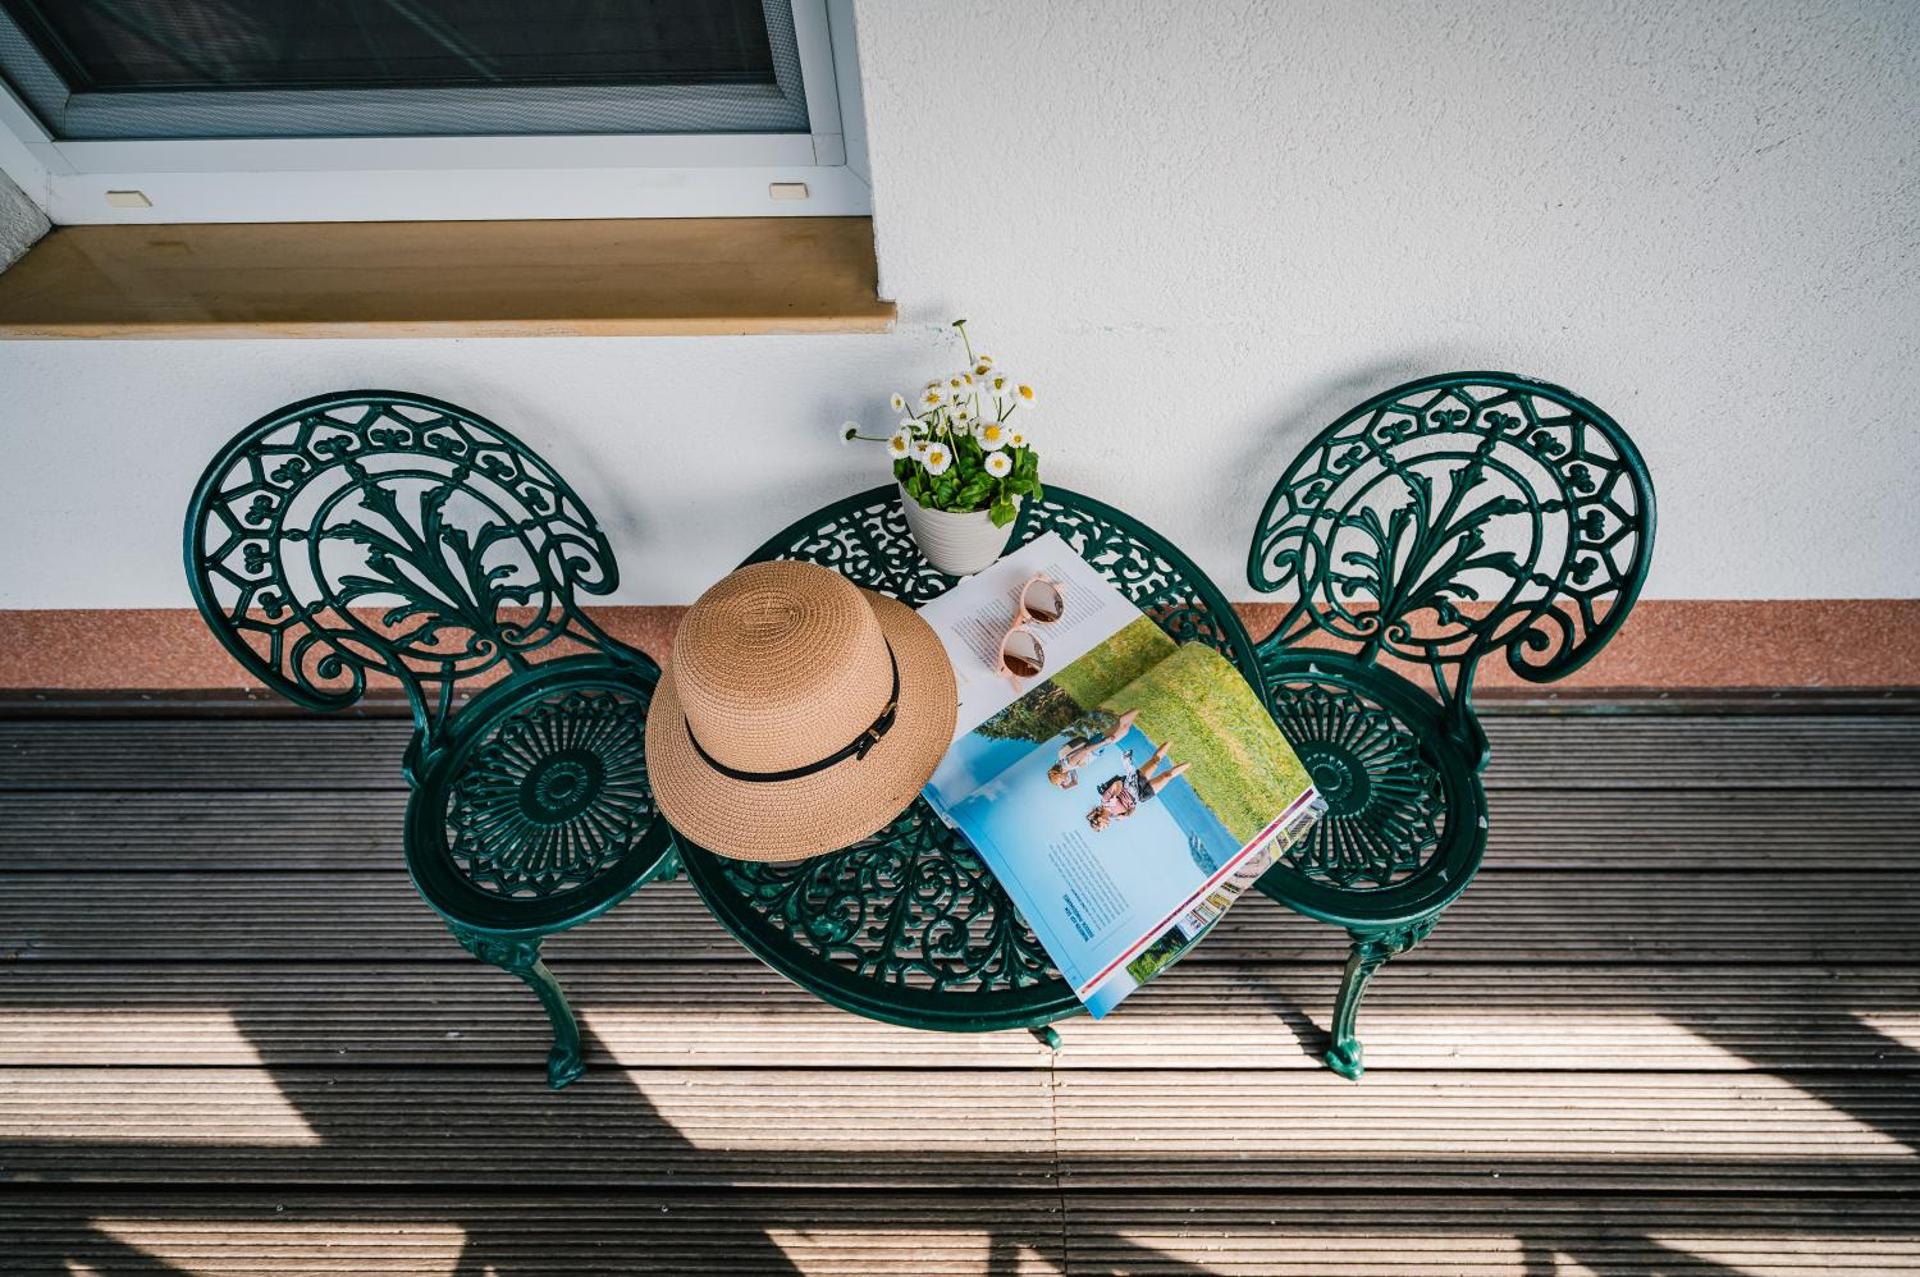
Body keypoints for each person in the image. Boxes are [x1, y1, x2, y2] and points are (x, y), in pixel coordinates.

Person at [1085, 738, 1190, 830]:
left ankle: (1172, 739)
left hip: (1133, 784)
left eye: (1102, 827)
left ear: (1099, 819)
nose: (1105, 827)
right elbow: (1132, 808)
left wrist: (1115, 797)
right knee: (1167, 776)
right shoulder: (1115, 816)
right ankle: (1190, 763)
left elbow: (1117, 784)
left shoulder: (1105, 800)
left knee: (1155, 761)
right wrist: (1127, 815)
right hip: (1141, 796)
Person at [1047, 709, 1138, 789]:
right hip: (1095, 746)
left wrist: (1104, 742)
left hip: (1095, 746)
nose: (1064, 781)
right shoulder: (1068, 767)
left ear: (1059, 775)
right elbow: (1075, 782)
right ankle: (1136, 711)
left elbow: (1085, 750)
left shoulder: (1069, 764)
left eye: (1061, 781)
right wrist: (1067, 787)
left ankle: (1137, 709)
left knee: (1123, 728)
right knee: (1121, 727)